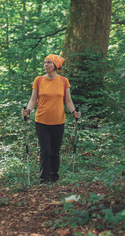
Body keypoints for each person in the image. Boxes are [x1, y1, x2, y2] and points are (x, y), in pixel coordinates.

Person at [22, 54, 81, 185]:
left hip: (58, 121)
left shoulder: (64, 81)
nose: (46, 65)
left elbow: (69, 101)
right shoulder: (38, 80)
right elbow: (33, 100)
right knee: (45, 150)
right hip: (41, 121)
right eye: (45, 62)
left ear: (56, 66)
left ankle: (54, 176)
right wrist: (28, 111)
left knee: (55, 151)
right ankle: (44, 178)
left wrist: (74, 112)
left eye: (49, 62)